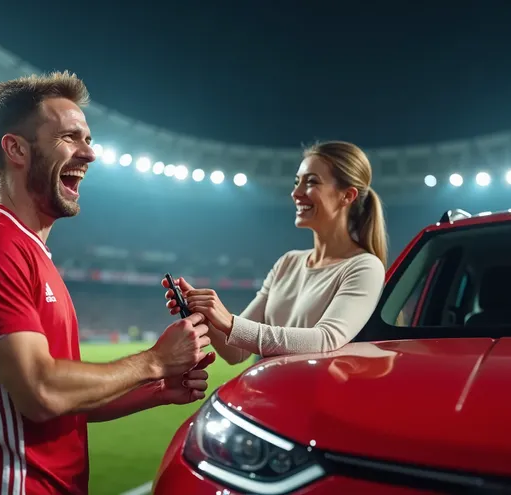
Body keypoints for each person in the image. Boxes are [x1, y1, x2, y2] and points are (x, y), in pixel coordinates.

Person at [0, 71, 215, 495]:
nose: (90, 154)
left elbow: (64, 402)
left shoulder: (30, 252)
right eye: (70, 138)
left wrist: (156, 389)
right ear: (16, 149)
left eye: (89, 139)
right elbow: (41, 391)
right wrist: (153, 360)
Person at [164, 140, 387, 365]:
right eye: (296, 182)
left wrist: (230, 322)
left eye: (311, 182)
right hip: (268, 396)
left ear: (347, 196)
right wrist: (206, 314)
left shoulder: (364, 267)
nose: (296, 193)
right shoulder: (288, 262)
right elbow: (236, 352)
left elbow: (326, 339)